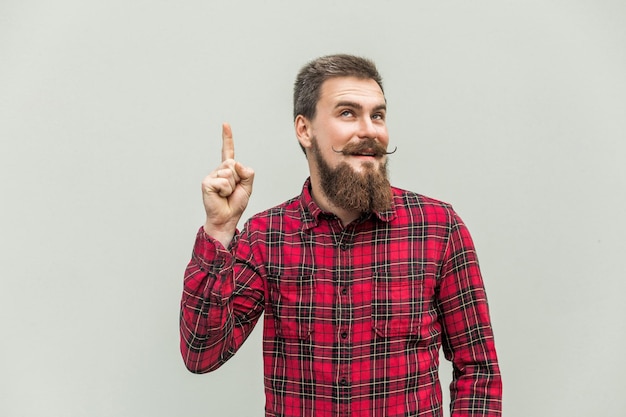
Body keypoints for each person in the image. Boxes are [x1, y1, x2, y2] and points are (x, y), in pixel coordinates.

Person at [180, 54, 502, 417]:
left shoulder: (438, 228)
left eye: (377, 115)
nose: (370, 130)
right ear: (305, 129)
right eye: (348, 113)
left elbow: (478, 369)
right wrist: (220, 232)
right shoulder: (265, 237)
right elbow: (201, 353)